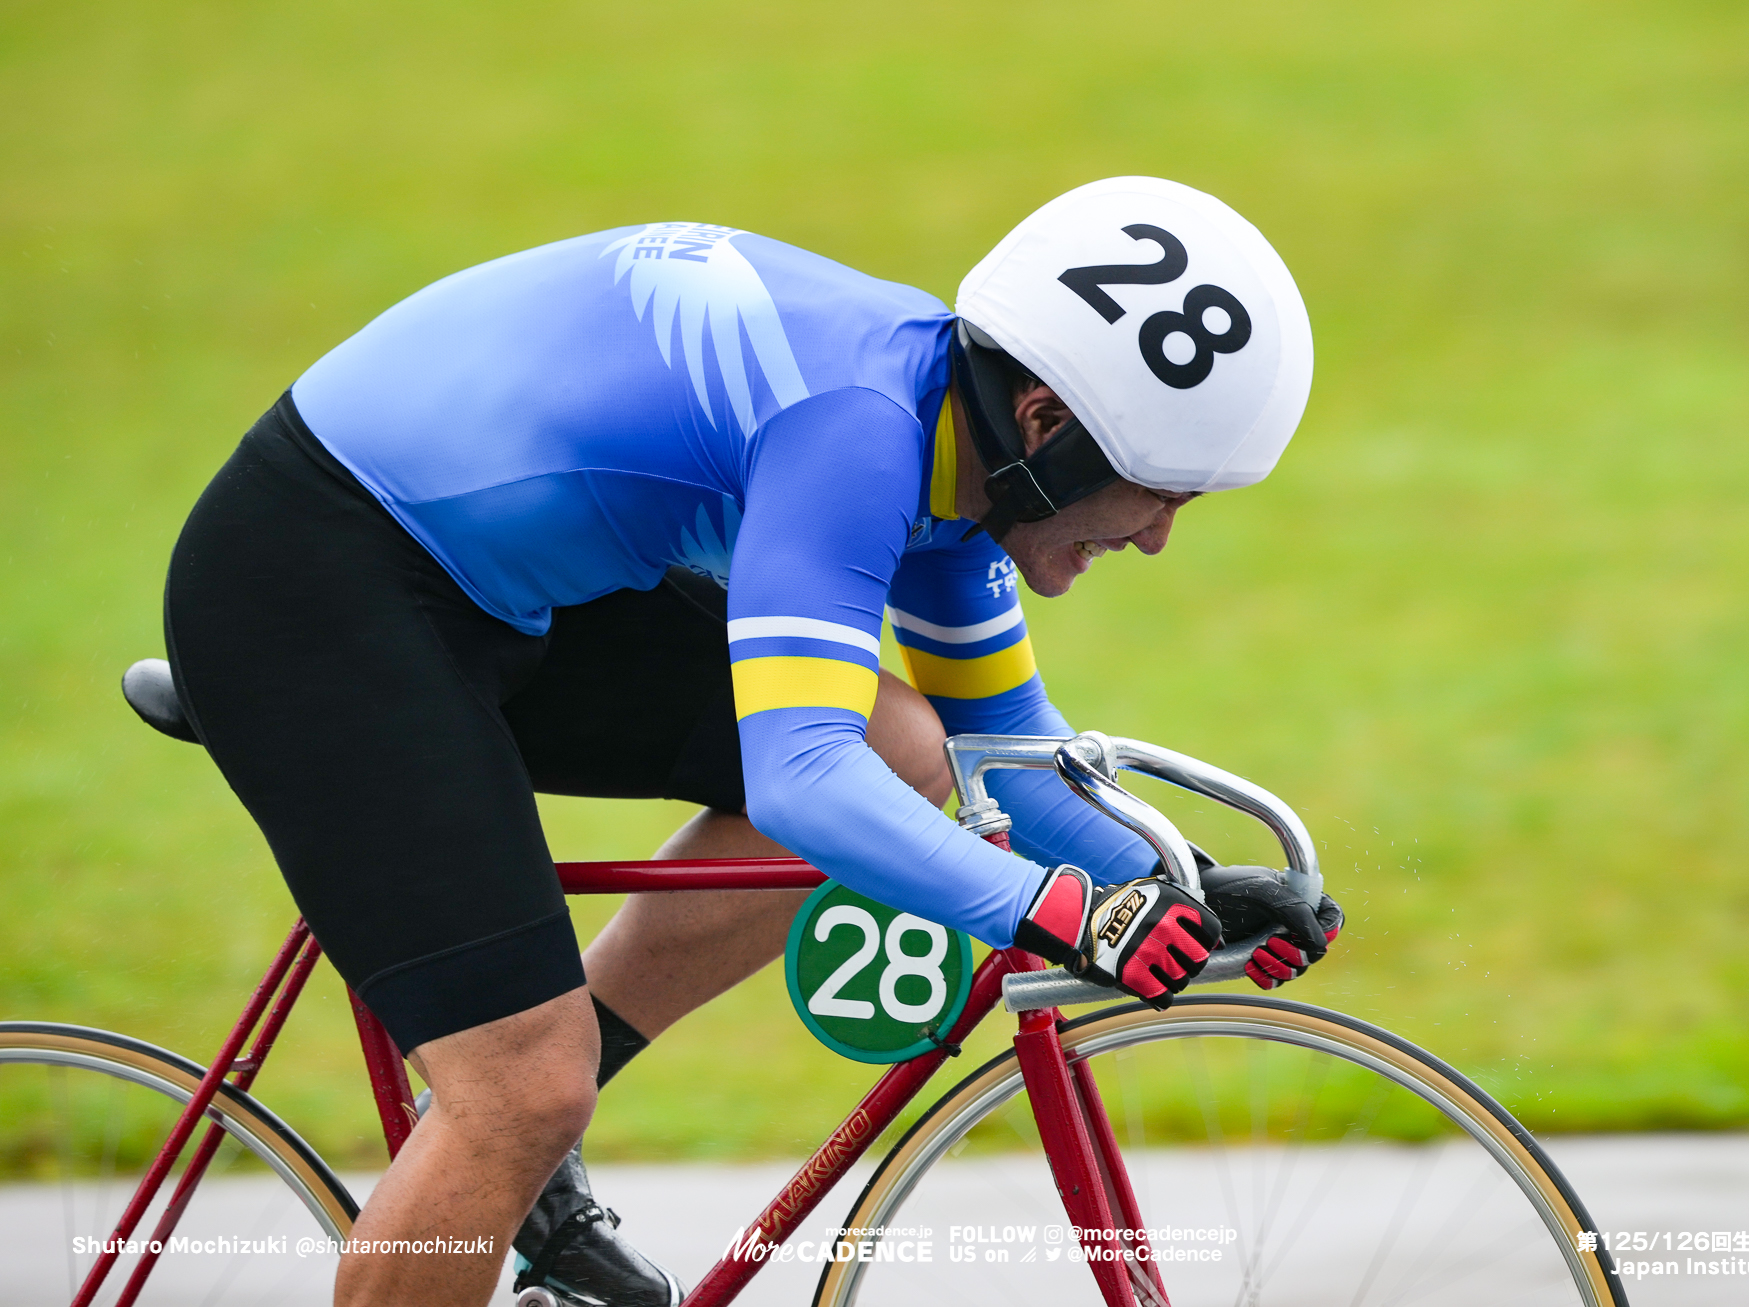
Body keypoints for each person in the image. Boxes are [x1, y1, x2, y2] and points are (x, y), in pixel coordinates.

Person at [161, 176, 1340, 1307]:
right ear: (1045, 420)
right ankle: (506, 1131)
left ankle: (515, 1158)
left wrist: (1165, 882)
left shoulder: (962, 449)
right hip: (313, 583)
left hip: (486, 584)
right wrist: (1059, 909)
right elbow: (801, 777)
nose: (1155, 539)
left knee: (907, 745)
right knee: (520, 1085)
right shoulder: (863, 429)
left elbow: (998, 742)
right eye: (1157, 493)